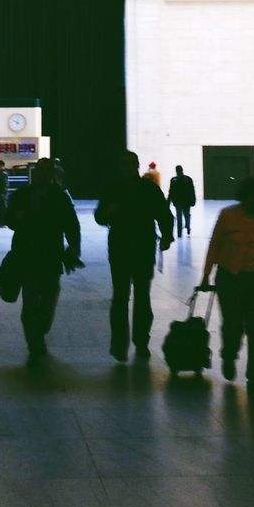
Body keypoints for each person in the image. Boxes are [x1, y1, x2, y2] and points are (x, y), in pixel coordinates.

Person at [95, 150, 174, 362]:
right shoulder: (115, 189)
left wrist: (167, 235)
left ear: (137, 166)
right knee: (121, 297)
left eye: (131, 164)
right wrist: (107, 214)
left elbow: (164, 214)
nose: (128, 168)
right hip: (122, 249)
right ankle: (120, 345)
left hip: (142, 249)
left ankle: (140, 342)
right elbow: (99, 216)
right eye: (125, 164)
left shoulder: (147, 189)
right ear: (121, 167)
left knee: (141, 297)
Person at [200, 176, 254, 396]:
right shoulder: (228, 215)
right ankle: (229, 354)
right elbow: (215, 244)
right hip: (230, 278)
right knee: (233, 325)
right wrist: (206, 274)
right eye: (248, 199)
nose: (251, 203)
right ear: (242, 198)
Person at [5, 156, 82, 365]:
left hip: (50, 255)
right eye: (40, 171)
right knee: (30, 299)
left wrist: (74, 248)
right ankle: (34, 339)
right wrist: (16, 218)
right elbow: (8, 219)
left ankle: (39, 330)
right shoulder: (22, 195)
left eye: (46, 171)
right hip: (28, 255)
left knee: (49, 297)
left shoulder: (60, 197)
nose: (42, 175)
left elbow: (72, 225)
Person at [167, 164, 197, 234]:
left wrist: (168, 202)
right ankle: (188, 227)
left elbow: (171, 192)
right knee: (187, 215)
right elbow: (192, 190)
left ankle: (179, 231)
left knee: (179, 216)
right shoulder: (188, 179)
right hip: (186, 201)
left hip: (177, 201)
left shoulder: (174, 180)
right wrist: (193, 200)